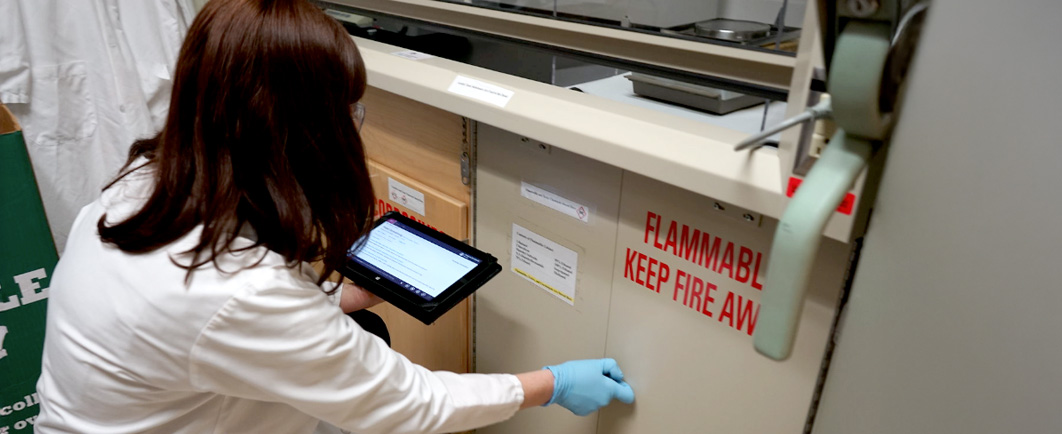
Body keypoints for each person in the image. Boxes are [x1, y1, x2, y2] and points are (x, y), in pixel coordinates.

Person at [33, 0, 634, 432]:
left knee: (361, 333)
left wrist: (334, 303)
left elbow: (212, 329)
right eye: (349, 114)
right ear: (300, 132)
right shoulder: (237, 293)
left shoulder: (138, 189)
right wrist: (551, 384)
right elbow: (409, 404)